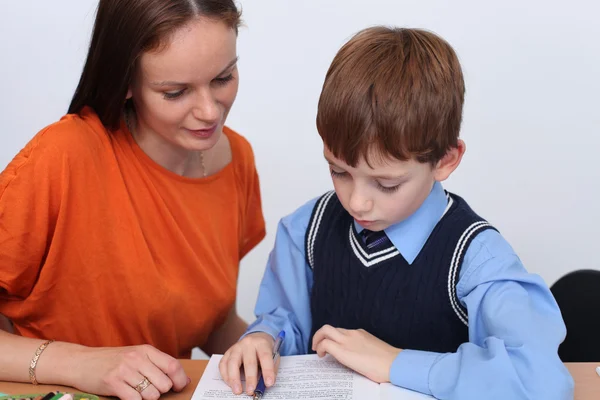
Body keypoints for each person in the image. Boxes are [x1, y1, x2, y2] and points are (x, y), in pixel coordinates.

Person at [219, 27, 574, 399]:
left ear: (445, 161)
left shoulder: (476, 257)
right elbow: (283, 322)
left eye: (386, 184)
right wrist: (261, 339)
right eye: (339, 171)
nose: (357, 202)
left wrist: (394, 362)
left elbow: (542, 381)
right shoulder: (304, 231)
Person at [0, 1, 265, 399]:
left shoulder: (237, 159)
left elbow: (210, 320)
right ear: (124, 82)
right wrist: (79, 363)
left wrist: (279, 354)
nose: (211, 111)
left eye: (223, 77)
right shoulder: (62, 157)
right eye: (175, 92)